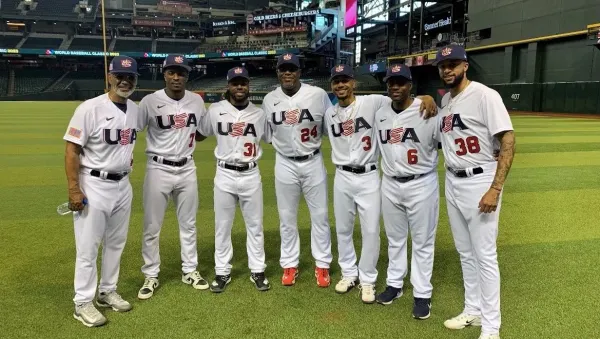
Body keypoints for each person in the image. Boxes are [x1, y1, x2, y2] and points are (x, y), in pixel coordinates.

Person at [324, 64, 438, 304]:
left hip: (369, 176)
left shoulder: (373, 102)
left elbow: (401, 98)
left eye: (345, 80)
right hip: (342, 176)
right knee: (343, 229)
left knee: (372, 230)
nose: (341, 85)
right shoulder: (329, 113)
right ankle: (348, 273)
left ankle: (367, 279)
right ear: (331, 85)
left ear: (354, 83)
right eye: (336, 81)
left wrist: (424, 97)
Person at [433, 45, 515, 339]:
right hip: (453, 181)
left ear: (465, 65)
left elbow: (507, 139)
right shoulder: (446, 104)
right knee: (465, 253)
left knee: (484, 255)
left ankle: (492, 327)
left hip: (480, 180)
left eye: (453, 63)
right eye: (443, 65)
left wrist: (495, 188)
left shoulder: (484, 95)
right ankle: (474, 311)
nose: (447, 69)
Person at [63, 56, 139, 327]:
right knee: (88, 246)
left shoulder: (135, 110)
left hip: (123, 185)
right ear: (109, 76)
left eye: (130, 77)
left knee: (116, 243)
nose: (124, 80)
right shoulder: (90, 108)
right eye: (119, 75)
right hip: (94, 184)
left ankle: (107, 291)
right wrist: (74, 189)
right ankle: (82, 301)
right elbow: (72, 149)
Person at [136, 55, 209, 300]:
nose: (176, 77)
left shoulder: (196, 101)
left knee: (188, 224)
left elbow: (201, 132)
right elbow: (131, 129)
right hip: (158, 169)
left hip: (187, 168)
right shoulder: (149, 101)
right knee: (152, 225)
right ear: (164, 74)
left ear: (188, 76)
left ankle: (190, 270)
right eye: (171, 72)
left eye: (181, 73)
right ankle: (151, 274)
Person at [374, 64, 440, 320]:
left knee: (423, 241)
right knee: (395, 238)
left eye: (401, 82)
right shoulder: (380, 113)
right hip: (390, 183)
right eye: (391, 82)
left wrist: (428, 97)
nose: (395, 87)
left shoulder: (428, 111)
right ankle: (395, 284)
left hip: (421, 182)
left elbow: (446, 140)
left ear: (410, 85)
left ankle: (422, 293)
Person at [196, 66, 271, 293]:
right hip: (225, 174)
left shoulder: (259, 114)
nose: (239, 87)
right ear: (228, 86)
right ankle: (222, 271)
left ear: (248, 86)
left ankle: (257, 270)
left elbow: (271, 137)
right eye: (235, 83)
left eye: (243, 83)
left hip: (250, 173)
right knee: (222, 226)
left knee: (255, 225)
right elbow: (200, 133)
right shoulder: (216, 109)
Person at [261, 53, 333, 287]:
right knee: (286, 217)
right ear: (278, 73)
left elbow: (329, 126)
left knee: (320, 215)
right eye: (283, 69)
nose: (287, 72)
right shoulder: (269, 99)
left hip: (312, 160)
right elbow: (269, 135)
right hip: (284, 162)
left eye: (292, 68)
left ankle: (322, 264)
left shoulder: (318, 95)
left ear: (300, 72)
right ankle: (289, 264)